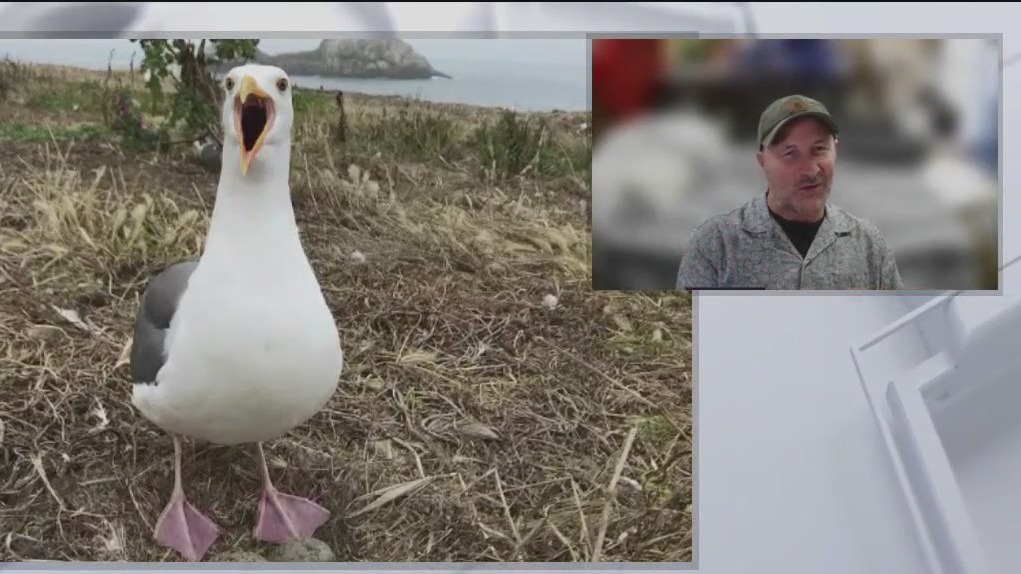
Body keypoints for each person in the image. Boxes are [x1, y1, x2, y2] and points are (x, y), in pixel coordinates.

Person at [676, 94, 904, 290]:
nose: (810, 169)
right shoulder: (715, 245)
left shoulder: (869, 246)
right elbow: (694, 335)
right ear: (762, 161)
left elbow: (897, 332)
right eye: (790, 153)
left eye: (819, 149)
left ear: (837, 151)